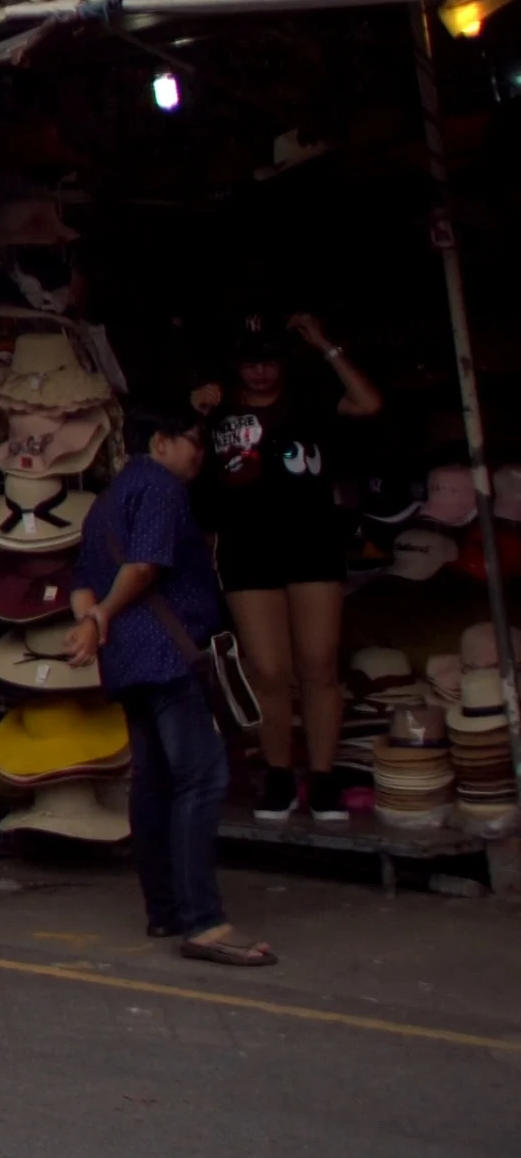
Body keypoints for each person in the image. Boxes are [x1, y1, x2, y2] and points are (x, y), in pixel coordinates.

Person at [68, 411, 273, 966]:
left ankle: (164, 909)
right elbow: (146, 566)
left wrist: (94, 621)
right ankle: (204, 921)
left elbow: (82, 584)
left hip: (127, 660)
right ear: (160, 442)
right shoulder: (160, 487)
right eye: (194, 443)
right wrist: (107, 611)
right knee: (199, 780)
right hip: (170, 654)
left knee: (153, 783)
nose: (200, 455)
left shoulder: (105, 502)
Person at [196, 317, 381, 821]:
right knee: (269, 671)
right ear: (237, 364)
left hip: (312, 542)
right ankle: (278, 775)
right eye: (250, 362)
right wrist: (197, 411)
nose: (260, 371)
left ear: (284, 361)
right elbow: (187, 469)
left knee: (319, 664)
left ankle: (322, 778)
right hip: (246, 546)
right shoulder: (217, 409)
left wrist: (325, 344)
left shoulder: (310, 399)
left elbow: (368, 403)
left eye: (269, 360)